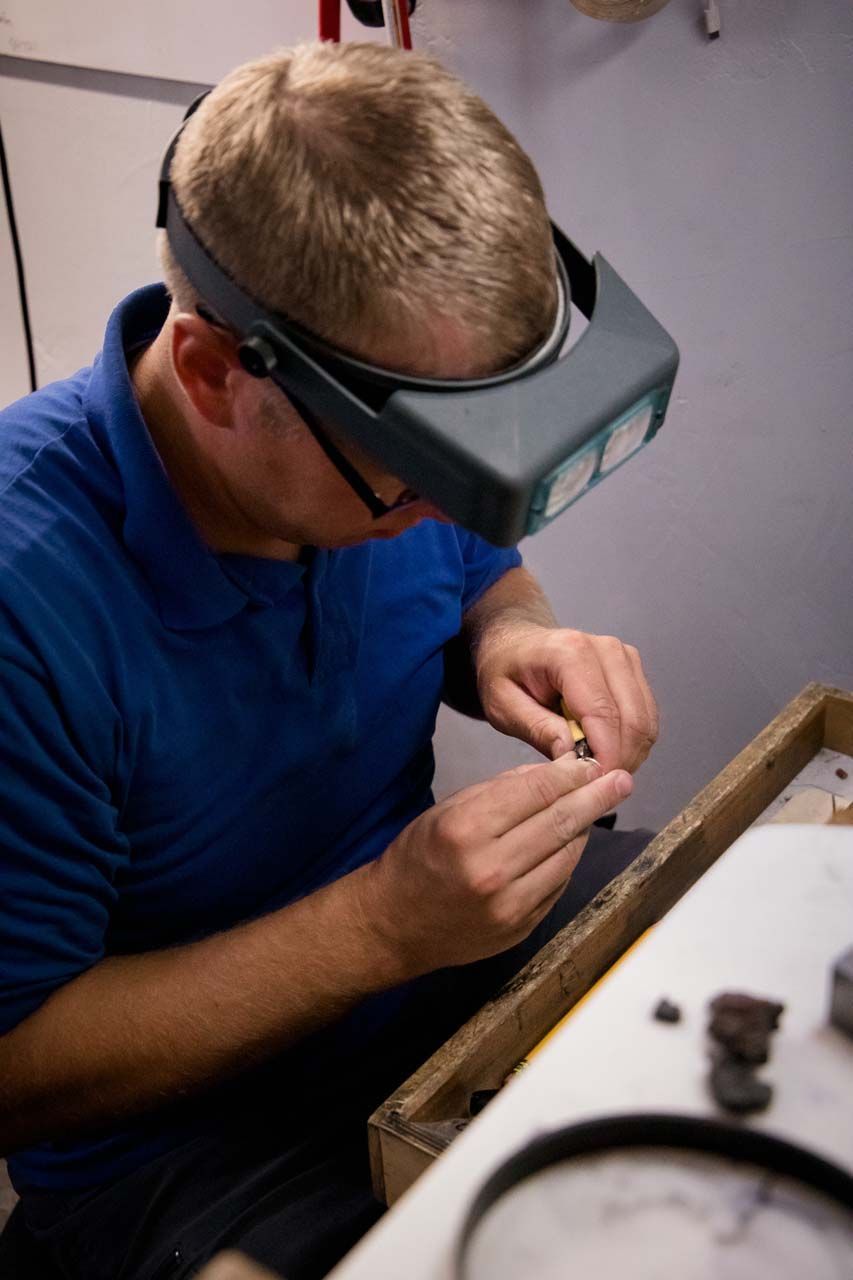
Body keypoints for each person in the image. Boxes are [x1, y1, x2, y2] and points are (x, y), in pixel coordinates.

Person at [0, 41, 658, 1280]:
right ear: (214, 374)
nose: (461, 505)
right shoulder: (23, 604)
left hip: (426, 983)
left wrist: (512, 630)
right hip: (178, 1153)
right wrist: (379, 926)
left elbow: (477, 567)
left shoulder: (371, 450)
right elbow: (15, 1070)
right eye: (425, 474)